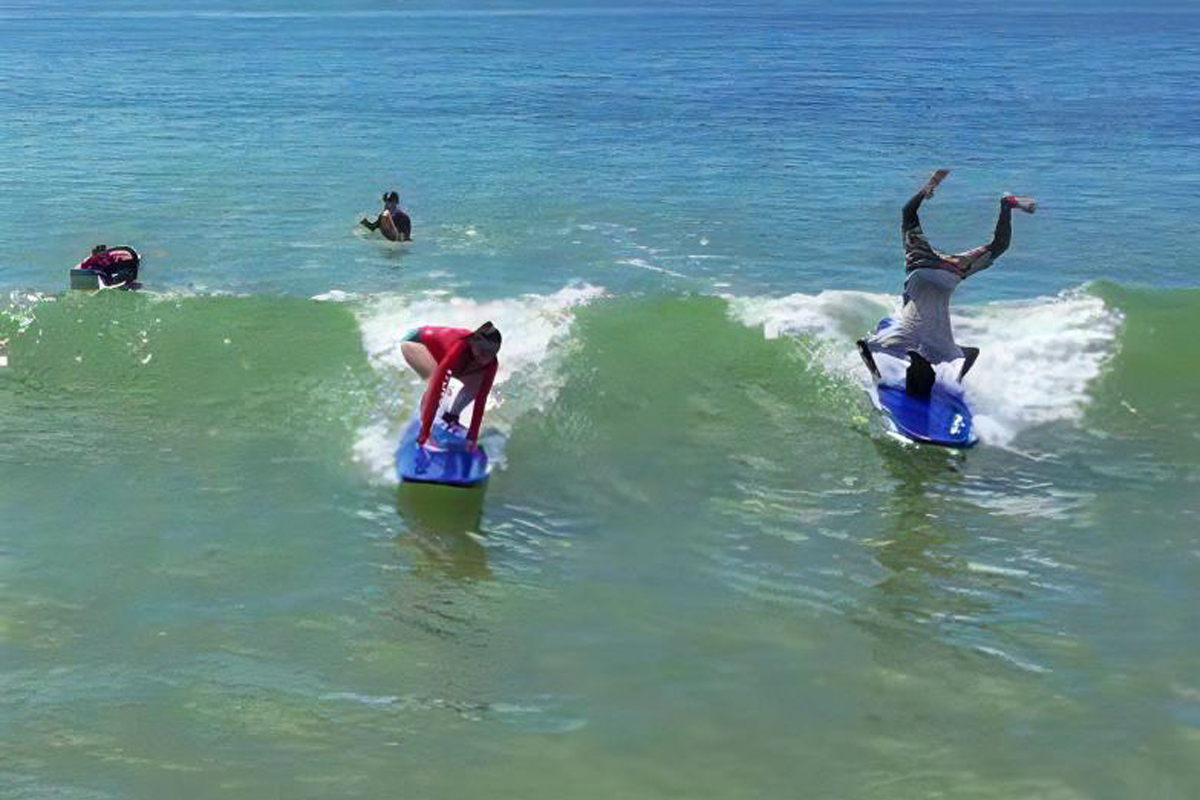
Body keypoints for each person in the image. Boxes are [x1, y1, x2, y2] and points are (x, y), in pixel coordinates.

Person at [857, 170, 1036, 398]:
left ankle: (877, 373)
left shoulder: (916, 252)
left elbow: (906, 211)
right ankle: (1007, 205)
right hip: (953, 271)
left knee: (886, 343)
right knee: (944, 348)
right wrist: (930, 186)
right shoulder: (945, 261)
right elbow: (999, 244)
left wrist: (929, 186)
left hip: (922, 267)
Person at [401, 322, 502, 449]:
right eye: (483, 352)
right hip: (415, 342)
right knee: (434, 379)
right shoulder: (459, 346)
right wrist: (424, 436)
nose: (486, 358)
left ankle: (450, 417)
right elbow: (436, 391)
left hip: (450, 358)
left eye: (491, 353)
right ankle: (424, 430)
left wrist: (472, 439)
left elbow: (480, 402)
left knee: (478, 380)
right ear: (473, 343)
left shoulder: (491, 363)